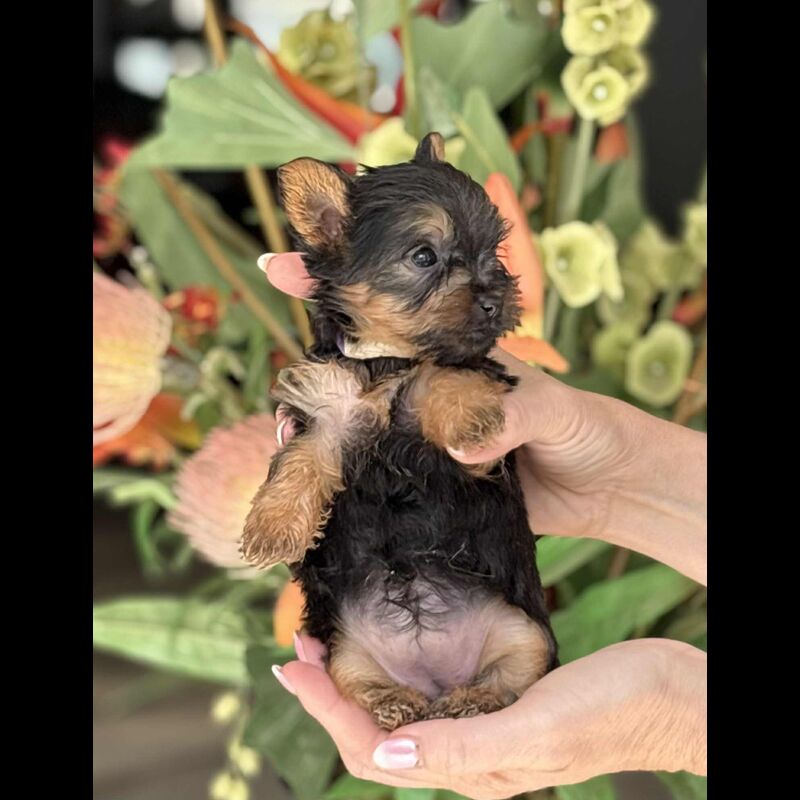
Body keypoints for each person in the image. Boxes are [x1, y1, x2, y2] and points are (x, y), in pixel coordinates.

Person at [264, 252, 707, 800]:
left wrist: (683, 715)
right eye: (425, 259)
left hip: (481, 623)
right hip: (378, 626)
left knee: (514, 646)